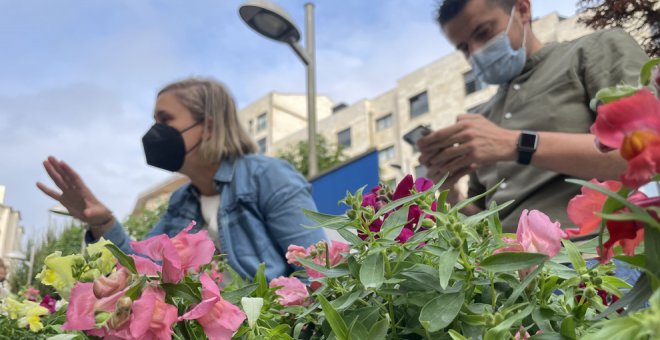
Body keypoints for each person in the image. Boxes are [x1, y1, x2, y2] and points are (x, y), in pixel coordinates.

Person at [37, 78, 327, 280]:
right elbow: (144, 269)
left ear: (209, 127)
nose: (154, 131)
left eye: (165, 119)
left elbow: (316, 270)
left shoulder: (267, 176)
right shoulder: (182, 199)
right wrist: (102, 222)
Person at [418, 0, 649, 232]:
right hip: (503, 263)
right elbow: (483, 224)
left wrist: (516, 144)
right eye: (465, 48)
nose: (476, 52)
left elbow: (646, 154)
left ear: (522, 10)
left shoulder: (594, 50)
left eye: (483, 32)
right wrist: (451, 194)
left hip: (588, 255)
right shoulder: (481, 118)